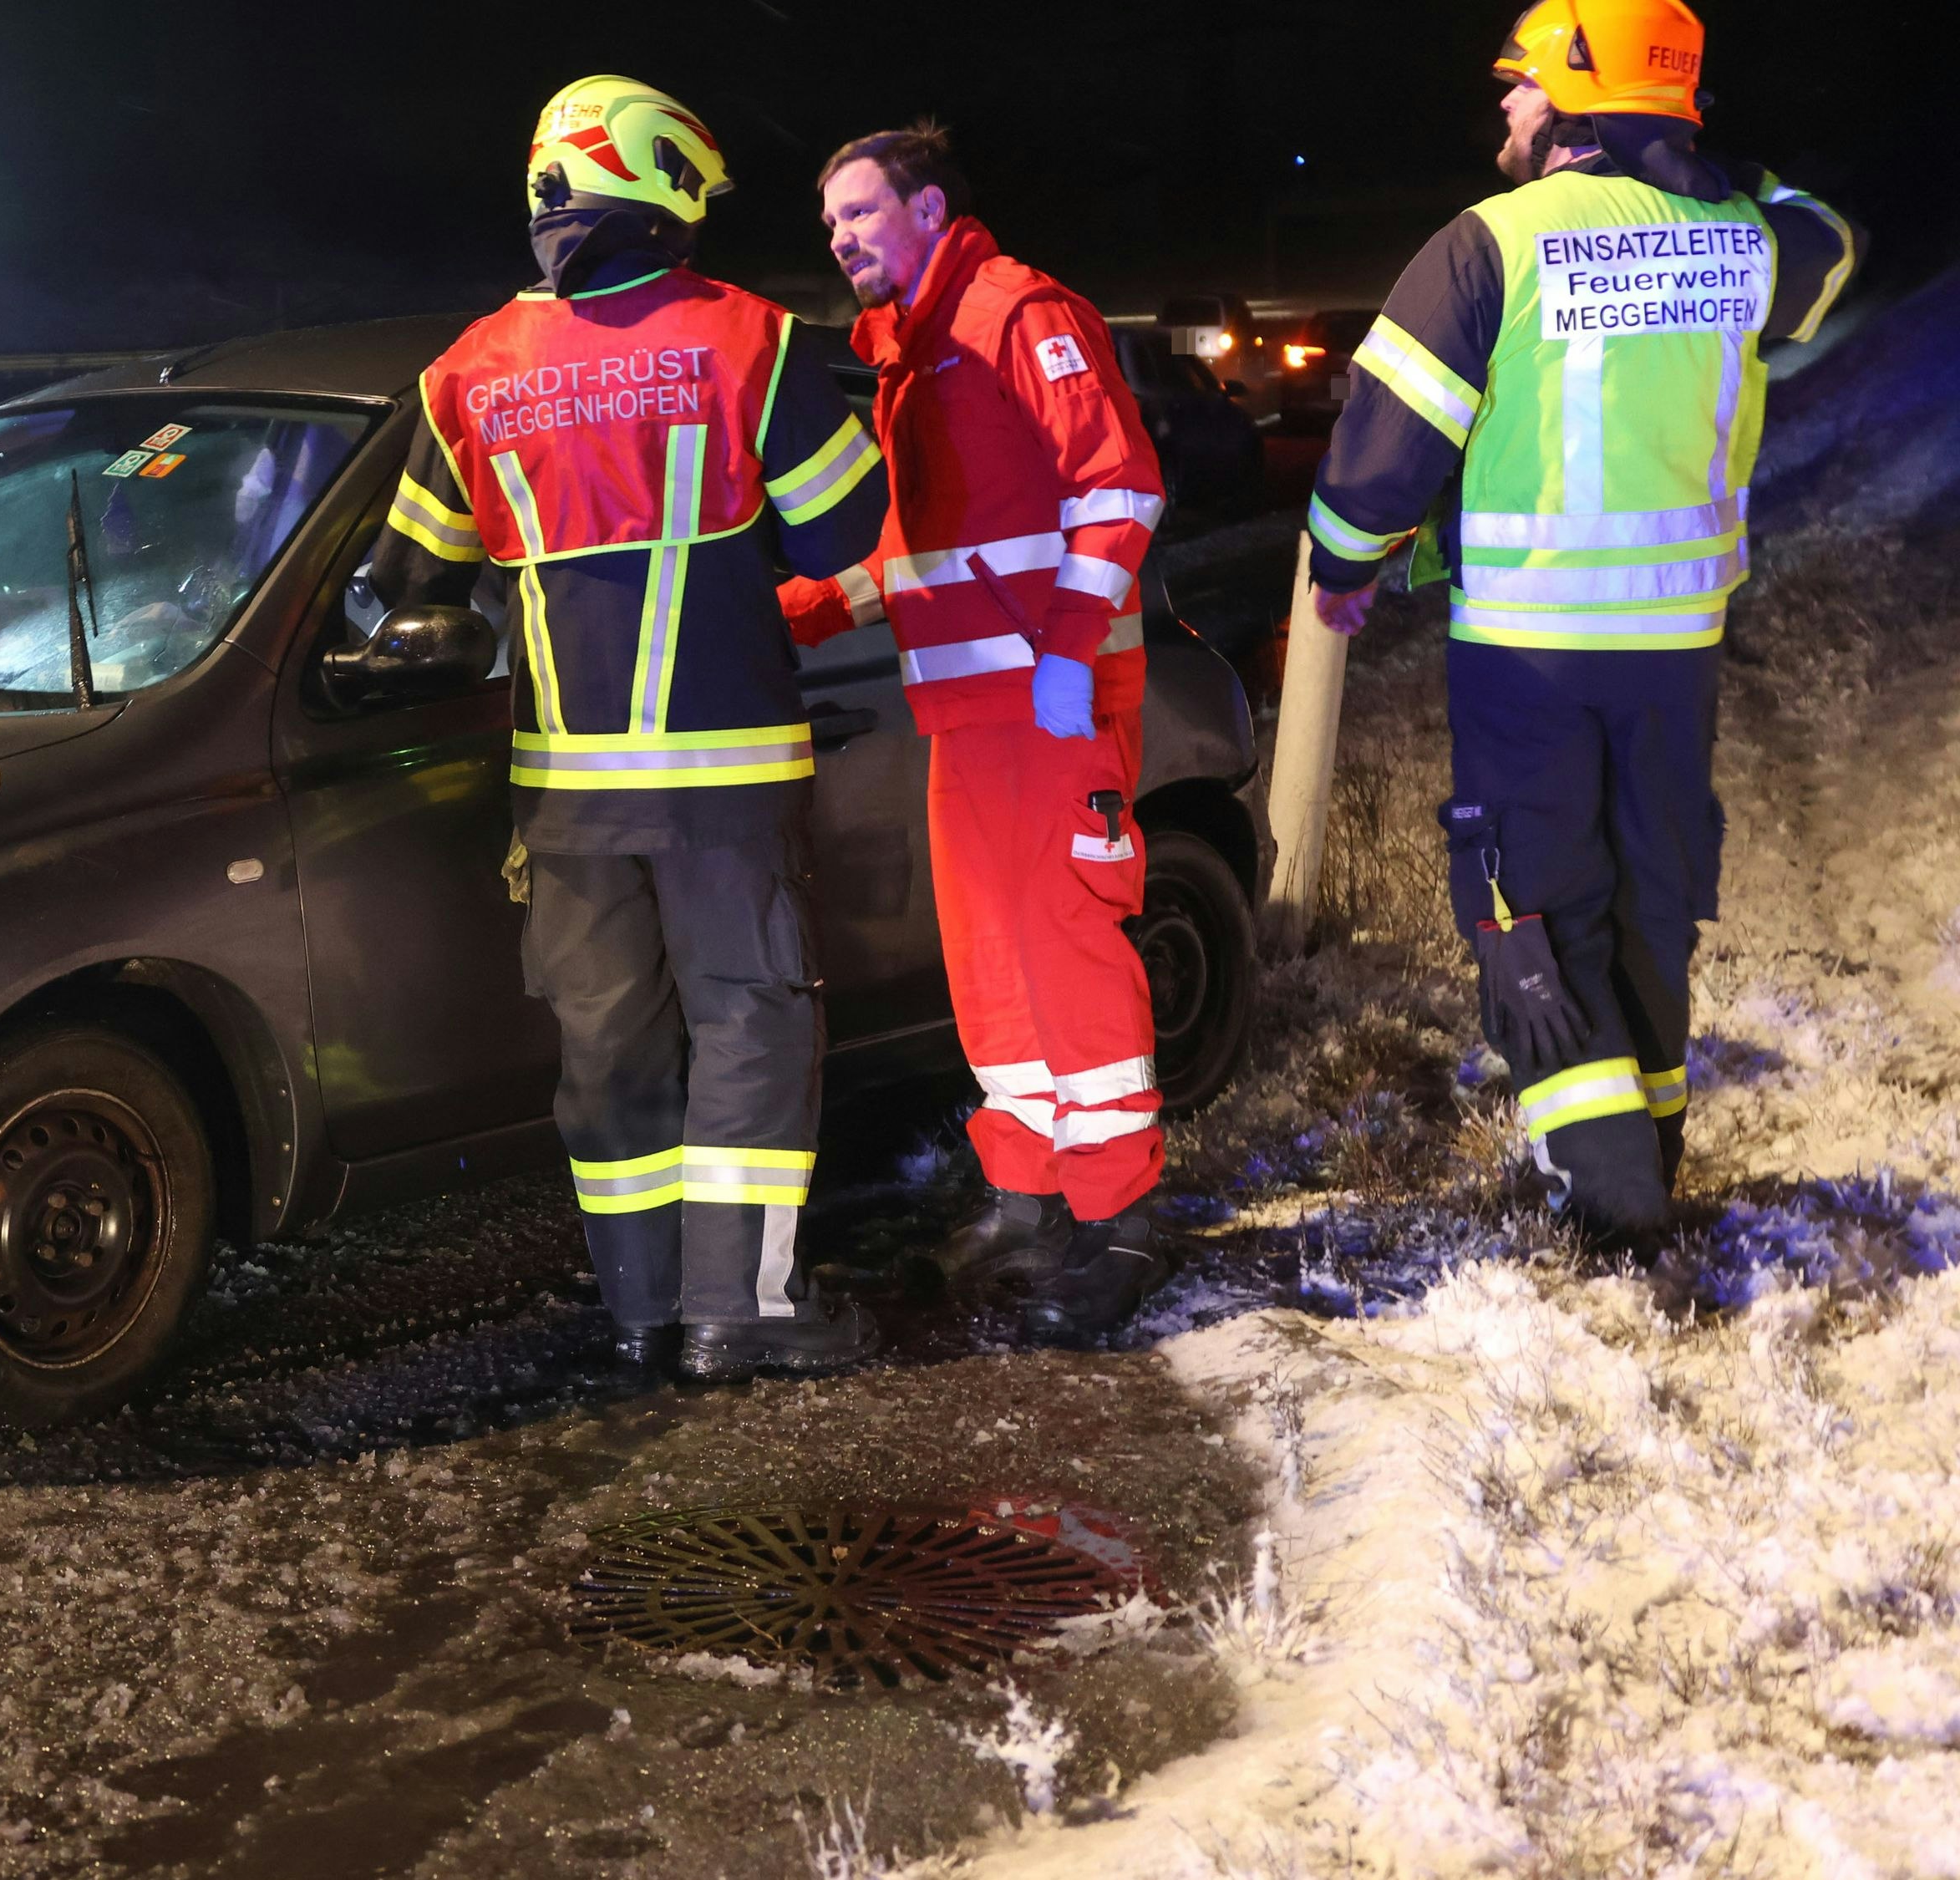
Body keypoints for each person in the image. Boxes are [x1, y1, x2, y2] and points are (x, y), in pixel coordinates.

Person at [1302, 0, 1853, 1240]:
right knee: (1656, 895)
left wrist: (1344, 562)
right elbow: (1831, 243)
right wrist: (1704, 158)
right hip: (1677, 653)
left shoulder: (1488, 243)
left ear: (1572, 97)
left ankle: (1609, 1199)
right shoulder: (1743, 241)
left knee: (1532, 905)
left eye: (1521, 82)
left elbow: (1384, 448)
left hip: (1531, 656)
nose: (1504, 103)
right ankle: (1652, 1150)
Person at [370, 76, 891, 1381]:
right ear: (657, 184)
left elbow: (408, 580)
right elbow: (843, 527)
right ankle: (744, 1313)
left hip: (565, 801)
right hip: (726, 784)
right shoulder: (747, 343)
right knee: (750, 1025)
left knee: (608, 1053)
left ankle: (640, 1313)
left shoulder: (466, 375)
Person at [776, 123, 1170, 1346]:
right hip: (970, 715)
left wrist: (1066, 649)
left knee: (1068, 952)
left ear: (930, 205)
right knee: (993, 963)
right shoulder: (914, 353)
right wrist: (795, 611)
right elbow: (913, 547)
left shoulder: (1011, 312)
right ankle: (1028, 1197)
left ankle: (1120, 1227)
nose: (841, 237)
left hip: (1050, 705)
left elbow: (1120, 487)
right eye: (830, 221)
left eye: (861, 212)